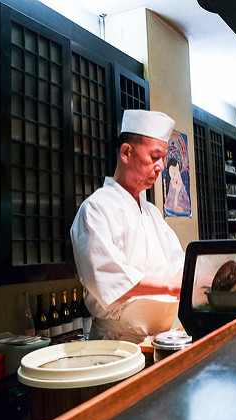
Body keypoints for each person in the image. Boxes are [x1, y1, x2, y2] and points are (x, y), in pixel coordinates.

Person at [70, 109, 185, 343]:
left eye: (163, 158)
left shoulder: (152, 213)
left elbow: (181, 264)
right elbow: (110, 277)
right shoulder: (96, 208)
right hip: (116, 342)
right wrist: (170, 287)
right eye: (154, 157)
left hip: (161, 338)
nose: (161, 166)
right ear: (126, 152)